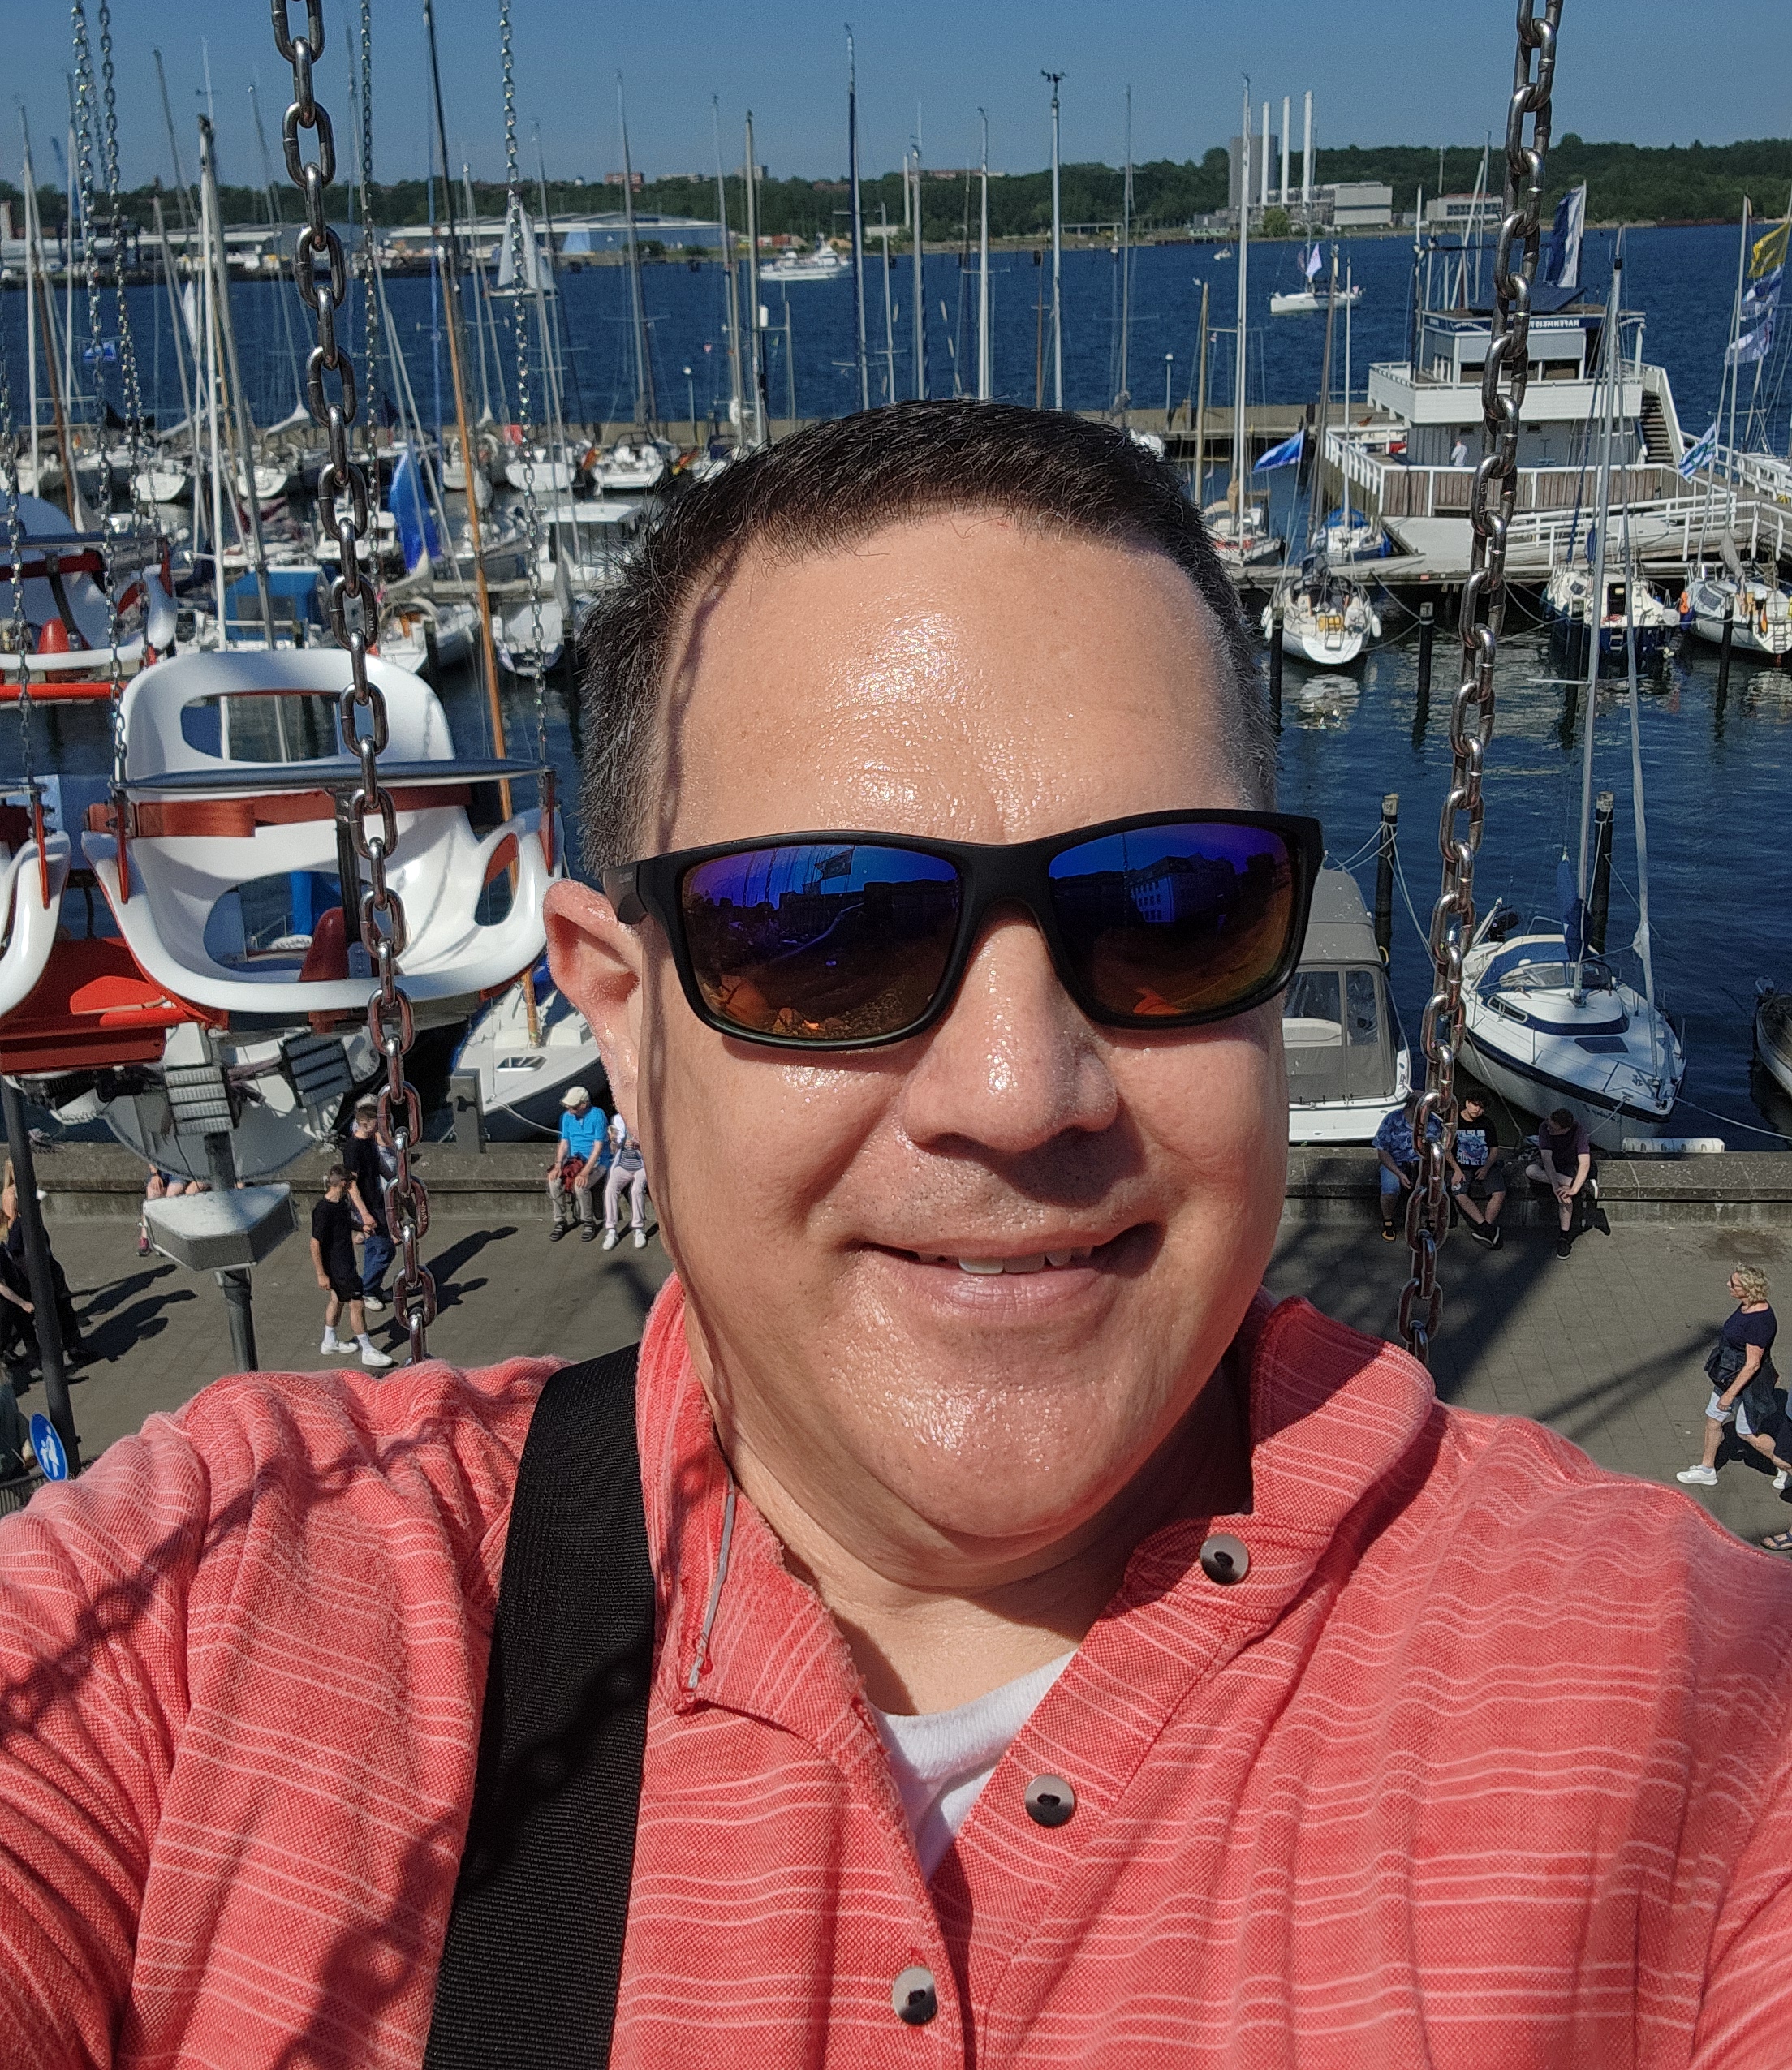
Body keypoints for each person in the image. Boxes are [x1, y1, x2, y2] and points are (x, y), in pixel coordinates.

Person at [2, 402, 1792, 2062]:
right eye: (824, 929)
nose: (1017, 1091)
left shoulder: (1684, 1709)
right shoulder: (215, 1611)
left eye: (1170, 904)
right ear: (619, 1015)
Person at [1678, 1266, 1792, 1495]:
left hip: (1746, 1385)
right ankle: (1707, 1470)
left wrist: (1729, 1395)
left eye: (1734, 1284)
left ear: (1748, 1289)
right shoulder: (1746, 1306)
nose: (1728, 1285)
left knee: (1746, 1433)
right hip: (1728, 1375)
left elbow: (1753, 1363)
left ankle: (1785, 1464)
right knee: (1714, 1418)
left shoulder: (1759, 1321)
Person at [0, 1158, 93, 1376]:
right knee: (31, 1317)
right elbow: (12, 1238)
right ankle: (46, 1361)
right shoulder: (15, 1207)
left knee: (49, 1312)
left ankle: (63, 1353)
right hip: (28, 1272)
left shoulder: (28, 1206)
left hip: (39, 1265)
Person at [309, 1165, 391, 1369]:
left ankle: (329, 1342)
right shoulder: (323, 1210)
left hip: (345, 1261)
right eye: (351, 1182)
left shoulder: (341, 1202)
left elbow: (344, 1223)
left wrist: (361, 1227)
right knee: (357, 1305)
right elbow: (315, 1243)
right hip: (339, 1267)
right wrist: (321, 1274)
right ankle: (368, 1350)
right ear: (344, 1183)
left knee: (337, 1299)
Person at [342, 1099, 396, 1303]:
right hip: (368, 1205)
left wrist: (395, 1180)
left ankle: (371, 1288)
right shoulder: (353, 1149)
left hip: (377, 1199)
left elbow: (379, 1165)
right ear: (364, 1124)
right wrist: (364, 1214)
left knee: (374, 1246)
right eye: (377, 1123)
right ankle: (367, 1289)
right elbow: (352, 1185)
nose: (381, 1127)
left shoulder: (370, 1141)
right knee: (386, 1249)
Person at [1525, 1105, 1596, 1259]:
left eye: (1553, 1129)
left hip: (1570, 1164)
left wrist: (1572, 1190)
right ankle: (1580, 1184)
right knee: (1531, 1171)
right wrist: (1556, 1186)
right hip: (1554, 1164)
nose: (1548, 1129)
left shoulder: (1579, 1131)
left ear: (1565, 1129)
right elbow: (1547, 1159)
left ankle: (1564, 1236)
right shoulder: (1545, 1126)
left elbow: (1584, 1163)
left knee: (1566, 1195)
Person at [1372, 1090, 1441, 1240]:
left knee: (1438, 1188)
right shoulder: (1392, 1119)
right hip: (1395, 1163)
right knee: (1391, 1187)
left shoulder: (1434, 1123)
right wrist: (1399, 1173)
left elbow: (1438, 1152)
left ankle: (1431, 1221)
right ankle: (1388, 1220)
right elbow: (1382, 1151)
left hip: (1423, 1165)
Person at [548, 1082, 607, 1242]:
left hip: (596, 1162)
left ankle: (588, 1221)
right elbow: (564, 1143)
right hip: (575, 1161)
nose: (569, 1109)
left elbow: (598, 1147)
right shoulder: (567, 1117)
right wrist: (558, 1165)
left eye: (573, 1107)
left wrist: (585, 1172)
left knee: (580, 1186)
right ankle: (560, 1220)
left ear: (583, 1105)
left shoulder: (598, 1115)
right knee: (554, 1182)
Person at [1448, 1088, 1506, 1247]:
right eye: (1475, 1105)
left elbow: (1494, 1149)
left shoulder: (1487, 1123)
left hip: (1483, 1164)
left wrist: (1486, 1167)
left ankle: (1486, 1227)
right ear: (1467, 1103)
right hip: (1462, 1167)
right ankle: (1485, 1227)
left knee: (1499, 1192)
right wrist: (1456, 1170)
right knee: (1459, 1192)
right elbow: (1446, 1149)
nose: (1477, 1110)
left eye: (1481, 1108)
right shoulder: (1454, 1122)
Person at [601, 1108, 649, 1252]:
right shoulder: (617, 1119)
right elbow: (614, 1149)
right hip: (623, 1165)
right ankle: (611, 1230)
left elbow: (653, 1145)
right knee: (610, 1190)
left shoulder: (644, 1118)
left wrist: (638, 1145)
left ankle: (639, 1229)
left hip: (642, 1166)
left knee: (636, 1190)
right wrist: (614, 1141)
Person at [136, 1169, 205, 1259]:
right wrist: (154, 1174)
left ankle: (167, 1240)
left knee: (171, 1196)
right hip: (162, 1171)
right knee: (152, 1194)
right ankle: (145, 1238)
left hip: (181, 1170)